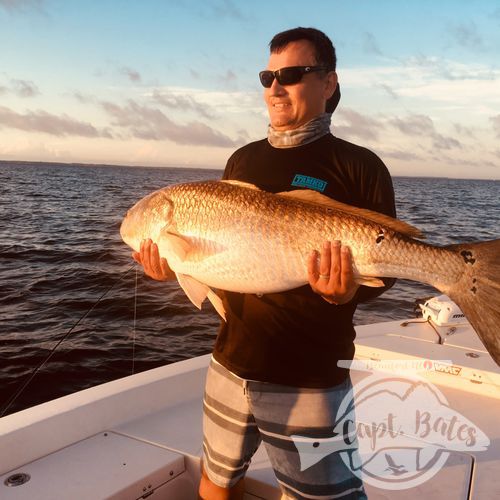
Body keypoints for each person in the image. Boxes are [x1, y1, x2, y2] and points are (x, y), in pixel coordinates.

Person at [134, 27, 396, 500]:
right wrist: (172, 269)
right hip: (232, 362)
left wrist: (348, 290)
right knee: (215, 481)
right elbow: (227, 261)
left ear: (329, 83)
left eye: (292, 75)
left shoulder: (361, 166)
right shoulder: (243, 159)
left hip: (312, 375)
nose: (275, 88)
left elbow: (389, 269)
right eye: (267, 76)